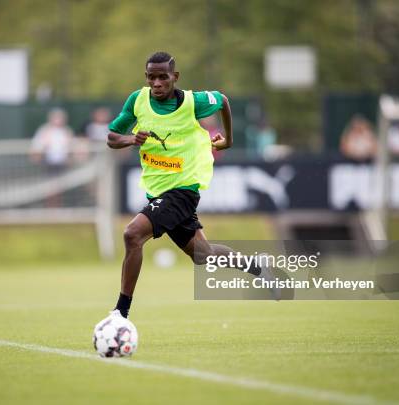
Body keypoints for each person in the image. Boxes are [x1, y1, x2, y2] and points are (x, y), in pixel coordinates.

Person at [105, 51, 276, 319]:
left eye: (163, 77)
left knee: (132, 234)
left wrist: (228, 140)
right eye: (152, 77)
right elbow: (112, 137)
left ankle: (120, 312)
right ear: (146, 78)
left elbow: (223, 100)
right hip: (158, 193)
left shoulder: (191, 102)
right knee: (204, 255)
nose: (158, 83)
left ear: (175, 77)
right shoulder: (137, 101)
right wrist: (130, 140)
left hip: (183, 189)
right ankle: (258, 267)